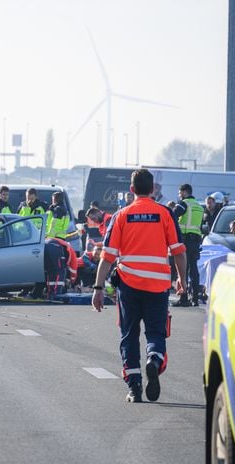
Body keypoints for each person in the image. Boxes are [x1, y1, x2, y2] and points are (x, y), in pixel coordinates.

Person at [92, 168, 187, 404]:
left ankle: (134, 388)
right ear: (153, 189)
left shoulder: (121, 216)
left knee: (129, 335)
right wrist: (182, 280)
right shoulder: (165, 214)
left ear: (131, 190)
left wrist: (98, 287)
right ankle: (153, 361)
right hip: (158, 286)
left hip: (129, 286)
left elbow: (108, 256)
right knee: (156, 332)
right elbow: (179, 252)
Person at [171, 184, 203, 307]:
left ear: (184, 192)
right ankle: (195, 299)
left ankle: (183, 299)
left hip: (185, 240)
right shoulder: (199, 206)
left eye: (180, 193)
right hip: (196, 241)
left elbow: (172, 215)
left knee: (183, 269)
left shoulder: (184, 204)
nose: (179, 195)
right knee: (193, 269)